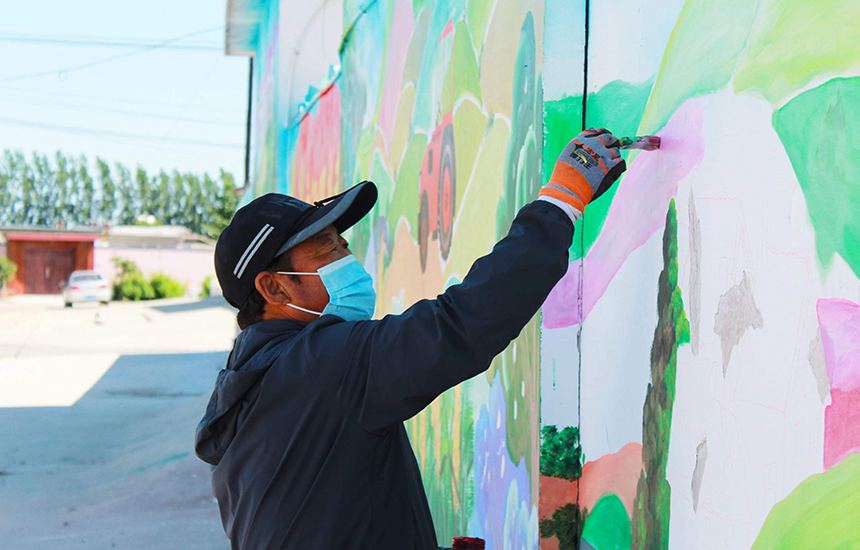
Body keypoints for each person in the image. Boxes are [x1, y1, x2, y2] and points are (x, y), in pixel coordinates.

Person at [195, 128, 626, 549]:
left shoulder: (249, 385)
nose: (349, 259)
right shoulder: (318, 364)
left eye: (343, 243)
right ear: (274, 289)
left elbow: (323, 517)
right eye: (328, 250)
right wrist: (562, 200)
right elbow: (463, 324)